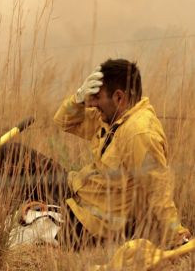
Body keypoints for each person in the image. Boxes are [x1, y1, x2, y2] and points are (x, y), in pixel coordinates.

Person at [53, 58, 191, 248]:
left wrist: (177, 236)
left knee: (35, 235)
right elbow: (64, 122)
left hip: (94, 223)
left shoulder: (139, 132)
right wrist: (78, 99)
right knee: (12, 154)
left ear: (119, 97)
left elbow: (157, 190)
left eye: (96, 97)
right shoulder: (111, 116)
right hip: (78, 189)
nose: (92, 104)